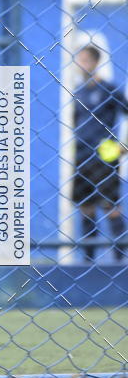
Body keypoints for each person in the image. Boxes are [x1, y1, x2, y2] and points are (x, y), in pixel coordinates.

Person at [72, 44, 128, 262]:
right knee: (86, 208)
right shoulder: (78, 92)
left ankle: (120, 261)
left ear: (96, 62)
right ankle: (87, 262)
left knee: (110, 206)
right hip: (81, 156)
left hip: (104, 156)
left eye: (86, 60)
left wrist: (124, 146)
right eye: (79, 60)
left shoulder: (109, 90)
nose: (81, 64)